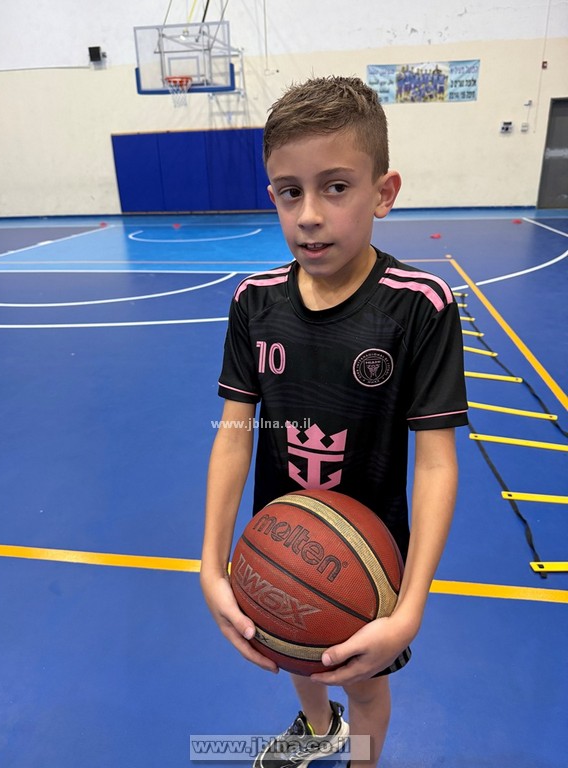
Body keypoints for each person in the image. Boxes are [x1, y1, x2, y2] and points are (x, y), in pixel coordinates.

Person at [200, 75, 468, 768]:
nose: (310, 215)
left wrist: (410, 607)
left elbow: (436, 463)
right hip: (282, 544)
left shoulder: (419, 305)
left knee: (366, 687)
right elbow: (233, 436)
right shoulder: (254, 301)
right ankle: (318, 729)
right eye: (290, 192)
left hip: (365, 563)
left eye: (336, 187)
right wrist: (210, 562)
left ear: (384, 191)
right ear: (272, 196)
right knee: (299, 658)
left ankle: (362, 758)